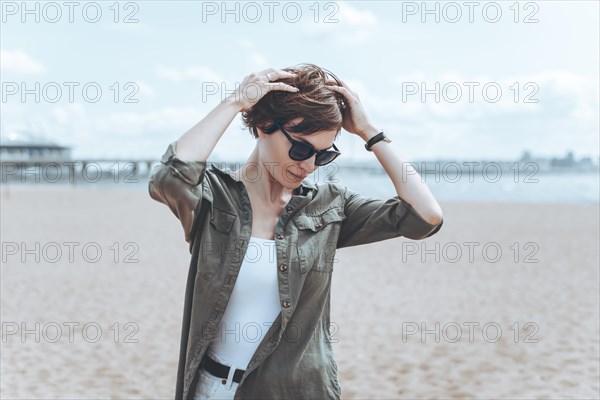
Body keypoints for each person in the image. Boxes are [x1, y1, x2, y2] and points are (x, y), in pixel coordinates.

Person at [148, 63, 444, 400]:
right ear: (263, 126)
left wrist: (368, 131)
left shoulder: (330, 207)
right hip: (212, 389)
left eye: (324, 155)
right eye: (301, 149)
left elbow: (425, 217)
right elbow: (169, 177)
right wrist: (235, 102)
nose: (308, 165)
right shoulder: (215, 200)